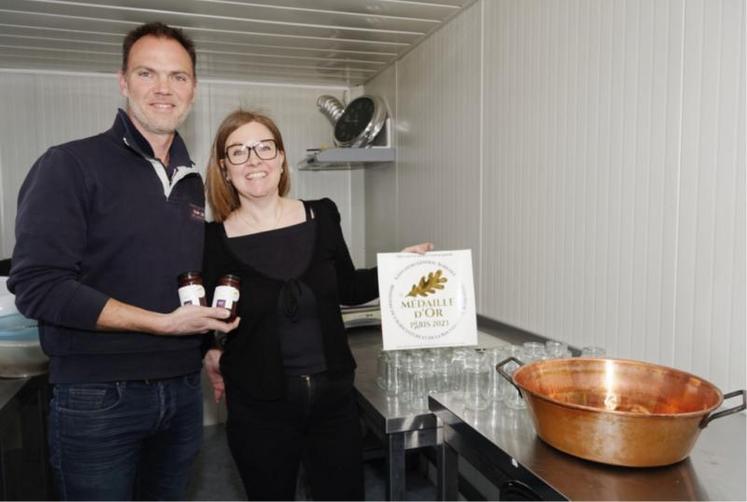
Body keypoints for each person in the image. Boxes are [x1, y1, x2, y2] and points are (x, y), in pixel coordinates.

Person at [7, 22, 238, 501]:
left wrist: (208, 350)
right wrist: (160, 325)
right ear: (123, 81)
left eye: (178, 77)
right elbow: (36, 285)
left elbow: (181, 282)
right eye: (147, 73)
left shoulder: (193, 181)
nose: (163, 89)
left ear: (193, 88)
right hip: (98, 397)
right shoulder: (69, 164)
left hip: (180, 393)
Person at [201, 109, 432, 501]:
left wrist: (399, 268)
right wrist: (207, 350)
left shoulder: (321, 215)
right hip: (258, 408)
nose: (254, 159)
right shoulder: (210, 240)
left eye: (264, 147)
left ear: (281, 157)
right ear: (224, 168)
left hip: (333, 402)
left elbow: (348, 287)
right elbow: (203, 315)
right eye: (238, 152)